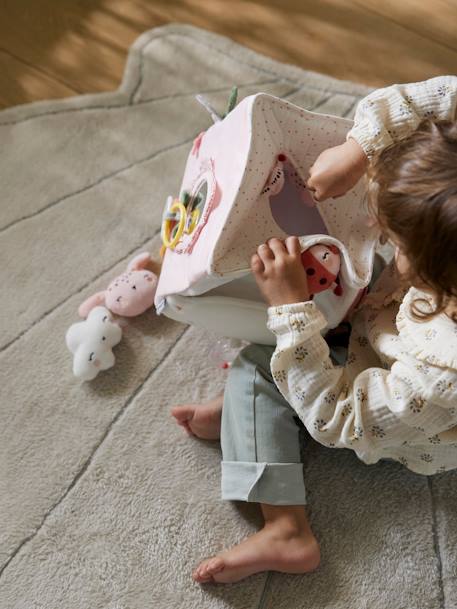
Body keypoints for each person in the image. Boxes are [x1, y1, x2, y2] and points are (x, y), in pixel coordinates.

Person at [171, 75, 457, 584]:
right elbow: (436, 96)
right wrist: (358, 148)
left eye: (398, 243)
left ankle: (286, 529)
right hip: (391, 329)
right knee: (304, 343)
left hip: (402, 419)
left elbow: (342, 418)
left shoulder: (442, 374)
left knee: (257, 367)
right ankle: (257, 414)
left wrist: (292, 310)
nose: (383, 238)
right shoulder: (442, 281)